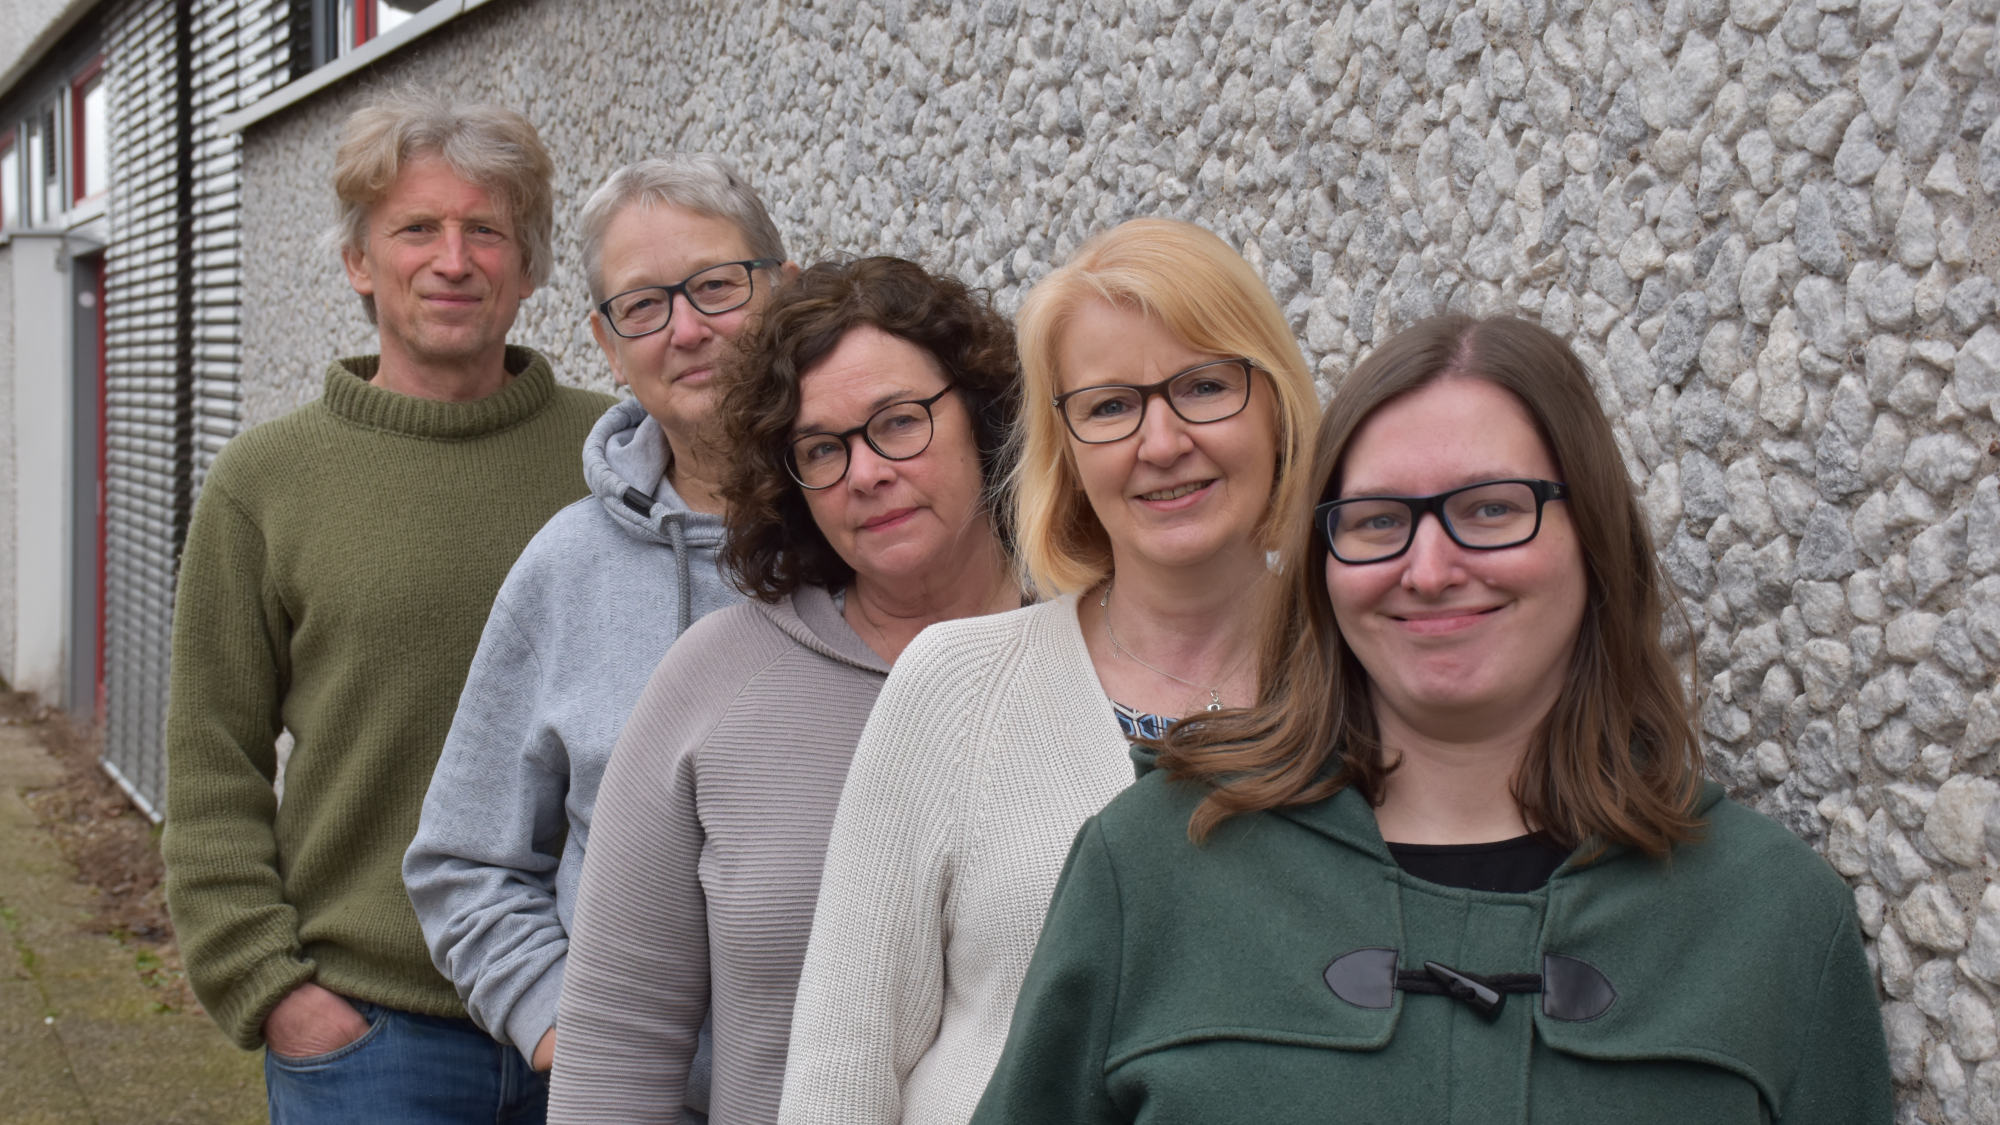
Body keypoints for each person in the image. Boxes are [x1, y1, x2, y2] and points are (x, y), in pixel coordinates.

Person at [971, 315, 1895, 1123]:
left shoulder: (1772, 918)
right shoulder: (1153, 867)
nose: (1430, 566)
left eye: (1491, 509)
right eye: (1376, 520)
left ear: (1595, 536)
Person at [778, 218, 1319, 1125]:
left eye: (1204, 385)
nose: (1162, 440)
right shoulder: (955, 687)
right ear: (1063, 448)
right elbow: (843, 1065)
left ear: (1277, 405)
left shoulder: (1366, 685)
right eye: (1110, 406)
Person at [161, 91, 614, 1123]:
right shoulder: (265, 483)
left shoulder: (618, 460)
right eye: (416, 228)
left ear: (530, 266)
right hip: (373, 1042)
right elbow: (209, 761)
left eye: (484, 231)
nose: (451, 260)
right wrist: (272, 991)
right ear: (359, 262)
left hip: (598, 1023)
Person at [546, 257, 1023, 1125]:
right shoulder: (714, 678)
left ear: (982, 412)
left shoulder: (1096, 652)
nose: (866, 471)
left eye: (899, 422)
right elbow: (618, 1040)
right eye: (822, 448)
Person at [402, 156, 795, 1116]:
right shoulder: (565, 567)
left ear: (784, 294)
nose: (688, 330)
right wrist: (567, 1035)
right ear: (607, 347)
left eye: (715, 286)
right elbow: (465, 862)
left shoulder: (872, 532)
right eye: (644, 307)